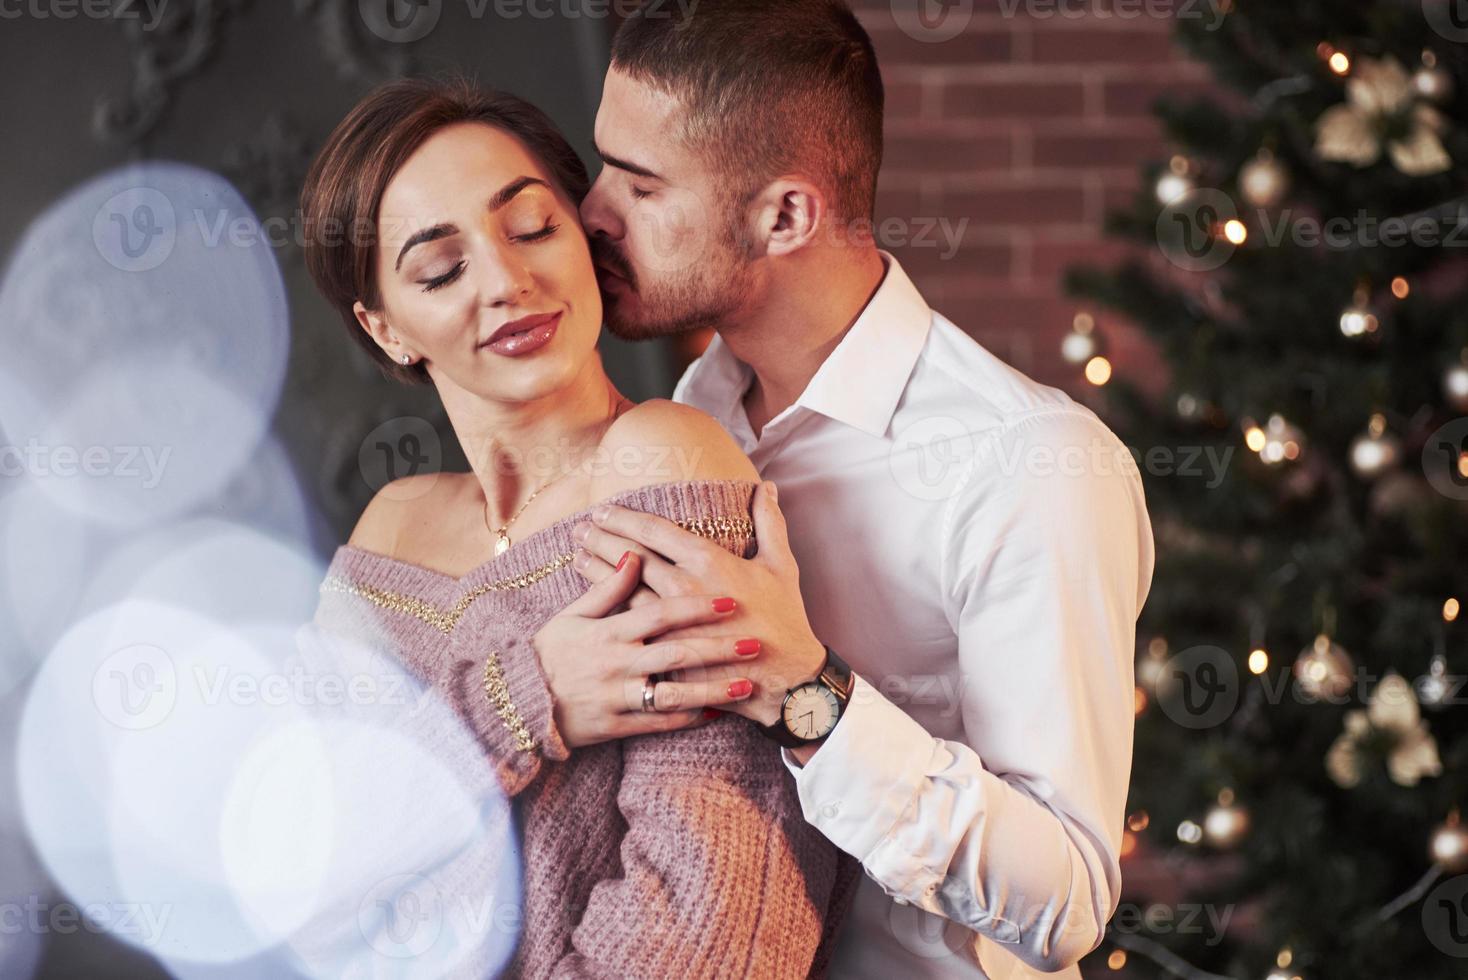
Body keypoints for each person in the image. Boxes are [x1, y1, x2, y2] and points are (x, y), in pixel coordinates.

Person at [520, 2, 1157, 977]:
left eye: (641, 186)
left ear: (784, 214)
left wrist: (807, 693)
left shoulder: (1027, 464)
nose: (592, 213)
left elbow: (1068, 899)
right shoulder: (672, 430)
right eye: (603, 164)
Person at [295, 77, 854, 978]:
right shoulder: (388, 535)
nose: (508, 283)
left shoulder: (665, 463)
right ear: (386, 328)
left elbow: (717, 929)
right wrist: (528, 697)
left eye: (531, 230)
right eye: (440, 270)